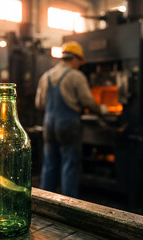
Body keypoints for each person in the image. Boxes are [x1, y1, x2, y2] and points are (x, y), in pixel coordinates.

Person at [35, 41, 106, 198]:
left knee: (49, 163)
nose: (79, 65)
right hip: (67, 123)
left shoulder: (45, 76)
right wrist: (101, 110)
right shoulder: (76, 76)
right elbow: (87, 100)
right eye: (79, 62)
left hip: (49, 123)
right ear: (75, 59)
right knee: (69, 163)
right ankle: (69, 205)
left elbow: (39, 104)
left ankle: (45, 201)